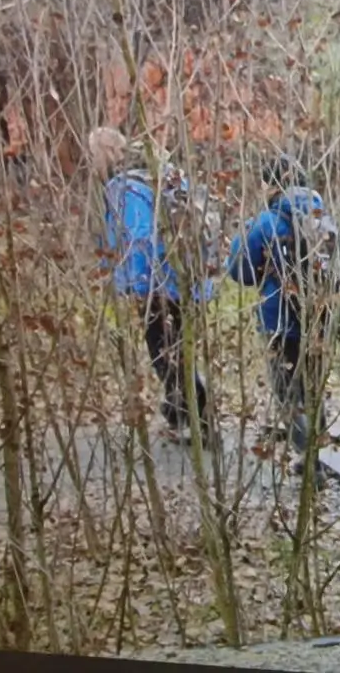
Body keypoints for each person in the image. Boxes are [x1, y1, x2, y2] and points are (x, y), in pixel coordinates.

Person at [225, 154, 340, 452]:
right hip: (323, 322)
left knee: (288, 395)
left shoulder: (264, 223)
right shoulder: (325, 220)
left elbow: (239, 271)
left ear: (270, 185)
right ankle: (317, 456)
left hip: (280, 325)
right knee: (314, 392)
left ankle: (306, 459)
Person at [91, 126, 214, 442]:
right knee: (177, 349)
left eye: (92, 156)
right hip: (190, 280)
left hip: (158, 284)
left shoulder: (124, 186)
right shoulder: (166, 174)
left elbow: (136, 236)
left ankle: (202, 420)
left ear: (105, 154)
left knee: (164, 352)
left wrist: (128, 281)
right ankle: (178, 413)